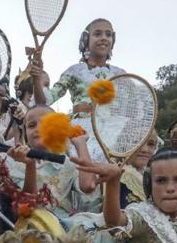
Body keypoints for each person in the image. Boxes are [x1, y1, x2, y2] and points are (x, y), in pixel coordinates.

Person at [33, 18, 124, 162]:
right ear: (86, 39)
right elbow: (44, 101)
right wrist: (36, 78)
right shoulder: (74, 71)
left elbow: (133, 108)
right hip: (81, 132)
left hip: (113, 132)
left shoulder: (121, 74)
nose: (104, 38)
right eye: (98, 34)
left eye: (108, 34)